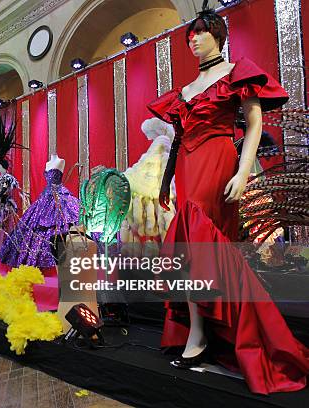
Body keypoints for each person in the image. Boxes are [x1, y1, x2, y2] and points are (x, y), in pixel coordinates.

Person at [147, 6, 309, 394]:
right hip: (187, 166)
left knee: (204, 242)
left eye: (200, 34)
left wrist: (243, 170)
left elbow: (255, 123)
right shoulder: (184, 92)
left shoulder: (236, 73)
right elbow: (179, 141)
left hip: (219, 162)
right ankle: (200, 332)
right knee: (189, 248)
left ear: (217, 34)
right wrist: (166, 182)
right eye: (190, 37)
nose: (193, 41)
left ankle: (203, 334)